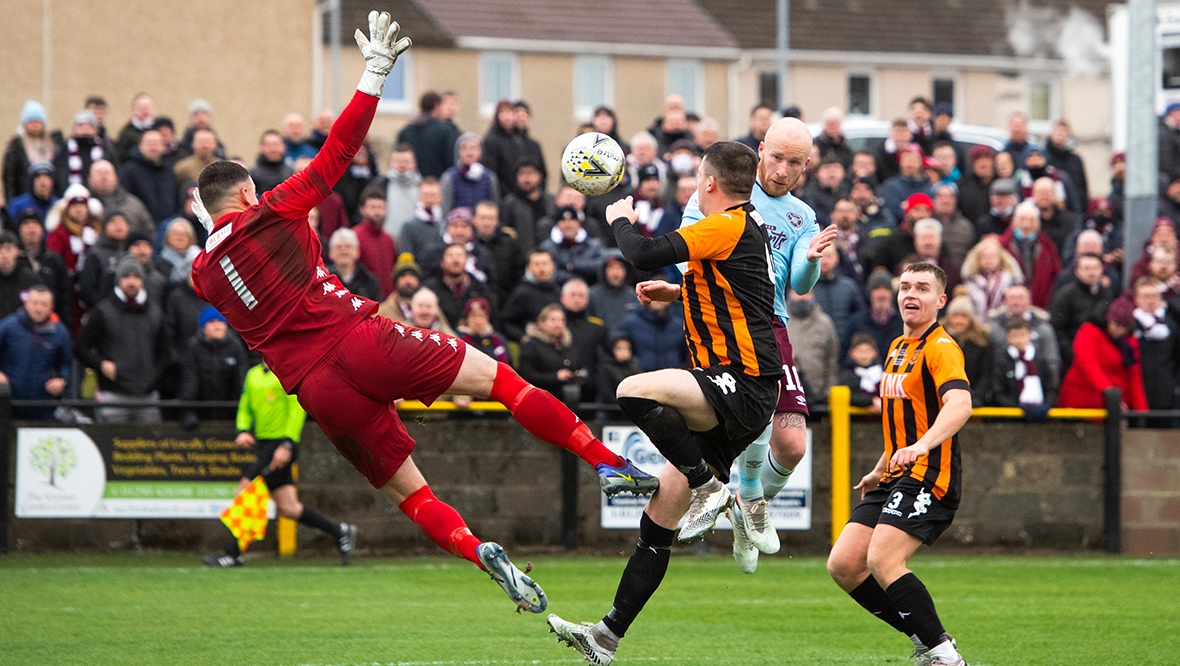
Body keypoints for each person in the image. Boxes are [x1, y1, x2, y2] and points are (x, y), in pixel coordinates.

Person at [189, 13, 654, 611]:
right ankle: (607, 462)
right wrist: (374, 77)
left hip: (318, 393)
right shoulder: (270, 211)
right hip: (360, 341)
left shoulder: (203, 273)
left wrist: (212, 222)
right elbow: (338, 153)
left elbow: (216, 249)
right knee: (501, 381)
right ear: (250, 194)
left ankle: (475, 549)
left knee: (409, 495)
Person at [547, 141, 786, 662]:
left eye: (697, 177)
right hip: (739, 385)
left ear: (708, 184)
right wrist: (676, 294)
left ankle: (709, 486)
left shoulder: (725, 224)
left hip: (743, 383)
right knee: (658, 524)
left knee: (631, 389)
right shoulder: (737, 232)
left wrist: (620, 216)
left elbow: (640, 253)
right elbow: (741, 297)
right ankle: (606, 637)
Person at [827, 262, 973, 666]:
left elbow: (960, 405)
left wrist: (922, 447)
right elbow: (902, 427)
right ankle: (928, 641)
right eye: (905, 286)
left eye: (923, 288)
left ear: (940, 300)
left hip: (930, 475)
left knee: (882, 559)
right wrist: (880, 466)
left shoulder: (941, 347)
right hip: (896, 475)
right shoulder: (896, 347)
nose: (911, 294)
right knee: (843, 565)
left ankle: (946, 657)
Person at [204, 358, 356, 568]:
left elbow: (297, 409)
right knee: (288, 508)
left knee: (245, 492)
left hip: (280, 444)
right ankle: (340, 531)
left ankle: (234, 554)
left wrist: (287, 444)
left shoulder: (288, 371)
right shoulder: (253, 374)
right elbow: (245, 405)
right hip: (264, 444)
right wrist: (243, 429)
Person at [75, 255, 168, 424]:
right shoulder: (103, 311)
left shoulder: (155, 313)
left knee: (149, 448)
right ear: (118, 280)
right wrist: (101, 364)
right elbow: (81, 348)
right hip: (113, 395)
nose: (131, 282)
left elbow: (166, 352)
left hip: (147, 397)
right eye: (126, 277)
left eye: (136, 277)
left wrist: (153, 375)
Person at [1057, 298, 1149, 411]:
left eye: (1124, 327)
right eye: (1116, 324)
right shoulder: (1089, 331)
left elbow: (1134, 377)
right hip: (1082, 402)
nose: (1118, 330)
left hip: (1114, 406)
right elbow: (1087, 363)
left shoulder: (1129, 343)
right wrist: (1109, 391)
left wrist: (1142, 412)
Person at [0, 284, 71, 420]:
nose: (38, 308)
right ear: (27, 303)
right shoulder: (8, 326)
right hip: (7, 401)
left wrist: (62, 380)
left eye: (44, 304)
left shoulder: (60, 332)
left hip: (43, 404)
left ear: (51, 307)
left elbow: (66, 364)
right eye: (35, 303)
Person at [179, 307, 248, 429]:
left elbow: (242, 381)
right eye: (211, 322)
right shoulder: (193, 347)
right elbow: (189, 381)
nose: (217, 326)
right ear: (203, 328)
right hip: (202, 413)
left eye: (221, 321)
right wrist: (188, 412)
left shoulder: (235, 346)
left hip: (230, 411)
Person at [1049, 253, 1115, 369]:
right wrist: (1074, 356)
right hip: (1073, 359)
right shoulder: (1065, 295)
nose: (1092, 272)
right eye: (1087, 268)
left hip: (1102, 358)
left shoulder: (1107, 294)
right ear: (1077, 271)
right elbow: (1058, 329)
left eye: (1096, 268)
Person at [1129, 279, 1180, 413]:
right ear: (1137, 299)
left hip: (1165, 391)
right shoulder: (1130, 324)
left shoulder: (1170, 324)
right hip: (1137, 389)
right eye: (1146, 296)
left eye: (1154, 296)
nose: (1150, 301)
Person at [15, 211, 72, 329]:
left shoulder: (54, 259)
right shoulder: (14, 260)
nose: (31, 229)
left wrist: (66, 323)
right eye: (26, 224)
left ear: (42, 229)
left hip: (51, 324)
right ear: (19, 230)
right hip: (18, 325)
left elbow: (65, 294)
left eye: (35, 224)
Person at [993, 317, 1058, 419]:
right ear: (1007, 337)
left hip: (1041, 411)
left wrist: (1047, 405)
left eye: (1022, 335)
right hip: (1013, 415)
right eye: (1014, 336)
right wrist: (1017, 407)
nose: (1019, 340)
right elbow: (998, 391)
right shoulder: (1002, 361)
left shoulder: (1040, 360)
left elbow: (1051, 386)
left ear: (1030, 335)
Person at [999, 202, 1061, 309]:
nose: (1026, 223)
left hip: (1041, 299)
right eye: (1022, 219)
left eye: (1031, 220)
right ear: (1015, 221)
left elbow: (1056, 271)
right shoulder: (1003, 245)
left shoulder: (1047, 245)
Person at [786, 288, 839, 407]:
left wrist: (827, 393)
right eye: (797, 292)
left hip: (817, 398)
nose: (801, 297)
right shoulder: (778, 320)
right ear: (789, 293)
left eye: (806, 292)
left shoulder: (825, 323)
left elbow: (832, 361)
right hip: (784, 396)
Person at [942, 292, 995, 407]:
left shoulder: (981, 343)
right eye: (955, 316)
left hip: (973, 398)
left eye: (964, 316)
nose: (959, 321)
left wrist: (976, 397)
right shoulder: (939, 340)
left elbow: (986, 375)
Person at [422, 243, 495, 326]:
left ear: (467, 261)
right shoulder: (429, 289)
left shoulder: (481, 288)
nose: (455, 260)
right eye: (450, 256)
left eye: (459, 255)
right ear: (442, 263)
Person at [117, 129, 179, 224]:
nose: (153, 147)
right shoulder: (128, 171)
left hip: (167, 227)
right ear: (140, 147)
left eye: (157, 143)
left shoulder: (169, 173)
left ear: (163, 147)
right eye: (149, 143)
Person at [500, 250, 561, 341]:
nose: (541, 268)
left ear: (552, 266)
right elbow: (505, 322)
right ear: (528, 268)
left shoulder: (558, 291)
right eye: (536, 264)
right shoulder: (522, 293)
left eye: (545, 263)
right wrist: (523, 338)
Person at [396, 91, 459, 179]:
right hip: (436, 186)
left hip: (409, 184)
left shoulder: (405, 131)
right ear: (436, 106)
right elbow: (451, 163)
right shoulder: (445, 131)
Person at [473, 200, 524, 306]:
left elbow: (519, 275)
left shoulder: (510, 244)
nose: (487, 223)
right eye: (483, 218)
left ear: (497, 221)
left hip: (504, 303)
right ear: (474, 220)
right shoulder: (468, 245)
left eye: (491, 218)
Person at [540, 206, 607, 286]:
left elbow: (602, 266)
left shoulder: (594, 245)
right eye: (563, 221)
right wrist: (578, 279)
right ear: (558, 224)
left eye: (572, 221)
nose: (568, 225)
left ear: (578, 223)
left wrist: (572, 266)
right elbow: (552, 272)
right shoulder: (548, 247)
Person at [961, 236, 1024, 319]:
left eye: (992, 256)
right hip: (978, 323)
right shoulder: (971, 283)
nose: (989, 260)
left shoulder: (1011, 281)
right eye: (984, 257)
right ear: (978, 260)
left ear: (1000, 259)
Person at [87, 160, 154, 237]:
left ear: (116, 178)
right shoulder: (82, 205)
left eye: (107, 173)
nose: (104, 177)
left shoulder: (134, 204)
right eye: (99, 173)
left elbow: (149, 232)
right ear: (89, 179)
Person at [619, 298, 685, 373]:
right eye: (653, 294)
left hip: (673, 378)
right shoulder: (630, 324)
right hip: (640, 378)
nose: (657, 298)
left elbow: (685, 355)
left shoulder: (679, 326)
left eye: (661, 294)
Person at [4, 101, 53, 203]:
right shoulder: (16, 147)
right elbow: (9, 179)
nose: (35, 124)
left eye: (38, 121)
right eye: (31, 121)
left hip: (49, 199)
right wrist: (11, 202)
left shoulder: (53, 145)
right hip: (23, 198)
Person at [440, 132, 498, 214]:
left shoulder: (489, 178)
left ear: (480, 152)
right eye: (464, 148)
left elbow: (494, 206)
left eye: (473, 148)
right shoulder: (450, 177)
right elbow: (445, 210)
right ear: (458, 152)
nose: (469, 152)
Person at [372, 143, 421, 240]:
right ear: (390, 162)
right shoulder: (380, 185)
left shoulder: (422, 187)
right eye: (397, 161)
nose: (401, 165)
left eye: (406, 161)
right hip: (387, 242)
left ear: (414, 163)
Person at [397, 176, 445, 260]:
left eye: (433, 195)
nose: (430, 199)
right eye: (426, 195)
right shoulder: (408, 227)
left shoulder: (446, 225)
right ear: (419, 196)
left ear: (440, 197)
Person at [327, 227, 381, 301]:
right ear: (331, 253)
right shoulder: (324, 280)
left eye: (348, 247)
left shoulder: (369, 281)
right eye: (338, 247)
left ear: (357, 252)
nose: (344, 251)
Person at [837, 332, 884, 411]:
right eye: (860, 351)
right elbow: (849, 397)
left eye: (868, 351)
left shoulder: (883, 374)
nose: (864, 355)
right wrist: (871, 401)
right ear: (852, 353)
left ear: (875, 353)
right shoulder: (847, 375)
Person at [456, 297, 510, 365]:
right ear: (467, 319)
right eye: (473, 315)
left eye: (481, 315)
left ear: (487, 318)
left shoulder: (498, 339)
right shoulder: (459, 339)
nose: (477, 320)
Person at [249, 130, 294, 195]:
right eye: (269, 145)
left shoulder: (291, 172)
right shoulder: (252, 174)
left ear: (283, 147)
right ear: (261, 147)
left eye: (276, 144)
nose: (273, 149)